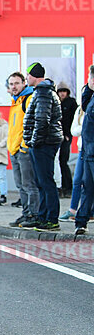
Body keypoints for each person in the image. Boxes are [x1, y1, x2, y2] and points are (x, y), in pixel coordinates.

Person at [21, 62, 64, 230]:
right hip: (43, 142)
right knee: (41, 181)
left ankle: (51, 219)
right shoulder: (41, 92)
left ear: (35, 76)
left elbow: (41, 120)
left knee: (46, 181)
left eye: (28, 75)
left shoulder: (44, 93)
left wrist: (34, 142)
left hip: (44, 143)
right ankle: (43, 216)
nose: (26, 79)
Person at [6, 72, 39, 227]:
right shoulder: (15, 102)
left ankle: (33, 214)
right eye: (11, 84)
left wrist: (24, 146)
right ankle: (26, 213)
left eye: (17, 83)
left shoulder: (29, 99)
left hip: (23, 150)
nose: (14, 86)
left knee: (29, 184)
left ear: (24, 83)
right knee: (20, 185)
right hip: (14, 150)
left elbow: (33, 124)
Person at [73, 66, 94, 234]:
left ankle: (81, 220)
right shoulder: (92, 96)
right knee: (87, 187)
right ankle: (81, 222)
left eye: (90, 77)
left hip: (92, 150)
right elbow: (85, 106)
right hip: (88, 150)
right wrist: (88, 88)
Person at [57, 84, 77, 197]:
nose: (62, 93)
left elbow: (74, 119)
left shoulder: (71, 103)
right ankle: (60, 186)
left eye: (64, 91)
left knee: (63, 161)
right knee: (57, 162)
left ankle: (68, 187)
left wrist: (68, 134)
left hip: (67, 136)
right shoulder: (56, 102)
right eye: (60, 91)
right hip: (57, 135)